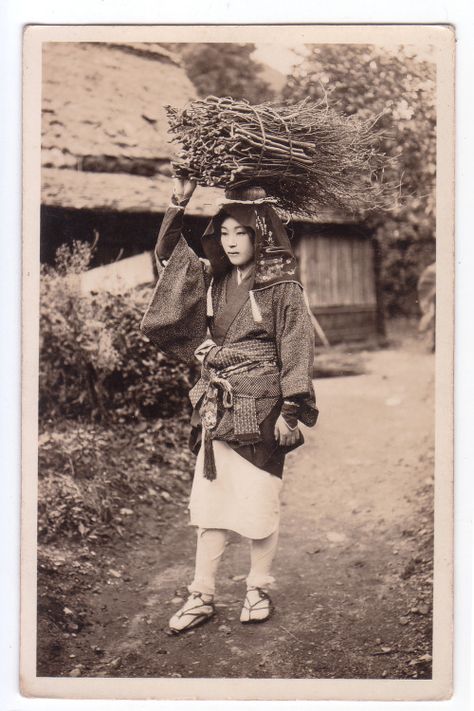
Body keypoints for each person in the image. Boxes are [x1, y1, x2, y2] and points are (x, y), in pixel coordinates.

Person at [141, 177, 318, 634]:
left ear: (261, 235)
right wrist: (179, 202)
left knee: (258, 502)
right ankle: (201, 594)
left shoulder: (283, 289)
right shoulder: (214, 279)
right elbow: (168, 260)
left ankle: (258, 587)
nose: (232, 241)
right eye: (224, 232)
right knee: (211, 504)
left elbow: (296, 349)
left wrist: (291, 411)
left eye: (242, 232)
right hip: (217, 407)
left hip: (263, 409)